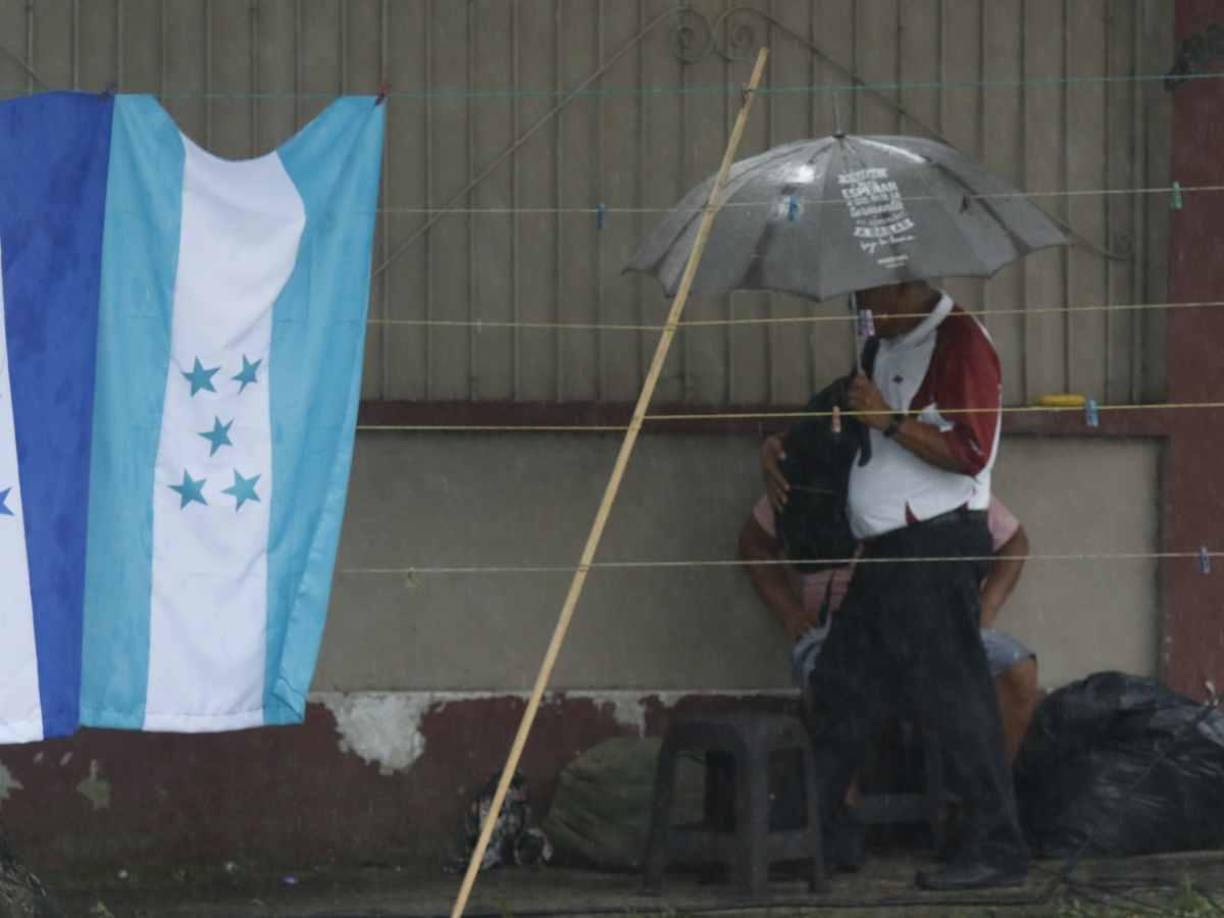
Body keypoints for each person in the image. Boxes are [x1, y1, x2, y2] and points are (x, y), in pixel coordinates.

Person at [791, 280, 1028, 890]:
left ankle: (995, 845)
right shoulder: (882, 344)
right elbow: (850, 415)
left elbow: (971, 449)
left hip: (935, 545)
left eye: (872, 300)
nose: (863, 313)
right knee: (843, 685)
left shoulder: (962, 342)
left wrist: (889, 422)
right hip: (886, 550)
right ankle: (818, 836)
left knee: (956, 697)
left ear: (908, 286)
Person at [737, 483, 1040, 765]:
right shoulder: (819, 462)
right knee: (836, 685)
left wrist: (981, 614)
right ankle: (841, 813)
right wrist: (791, 614)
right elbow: (754, 542)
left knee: (1017, 668)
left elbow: (1013, 541)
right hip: (840, 633)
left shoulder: (936, 468)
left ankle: (979, 808)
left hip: (936, 633)